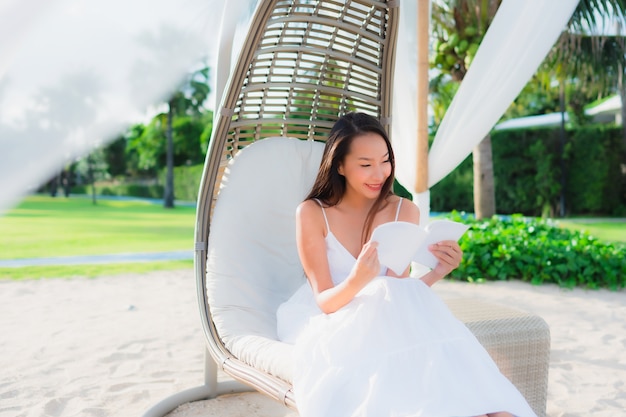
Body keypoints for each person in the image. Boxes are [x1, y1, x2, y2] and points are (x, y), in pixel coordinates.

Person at [276, 112, 537, 417]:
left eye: (385, 160)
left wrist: (437, 273)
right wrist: (359, 279)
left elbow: (398, 295)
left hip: (391, 317)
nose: (379, 173)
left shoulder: (403, 209)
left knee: (485, 403)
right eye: (365, 165)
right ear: (340, 166)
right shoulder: (311, 213)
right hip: (336, 318)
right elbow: (325, 301)